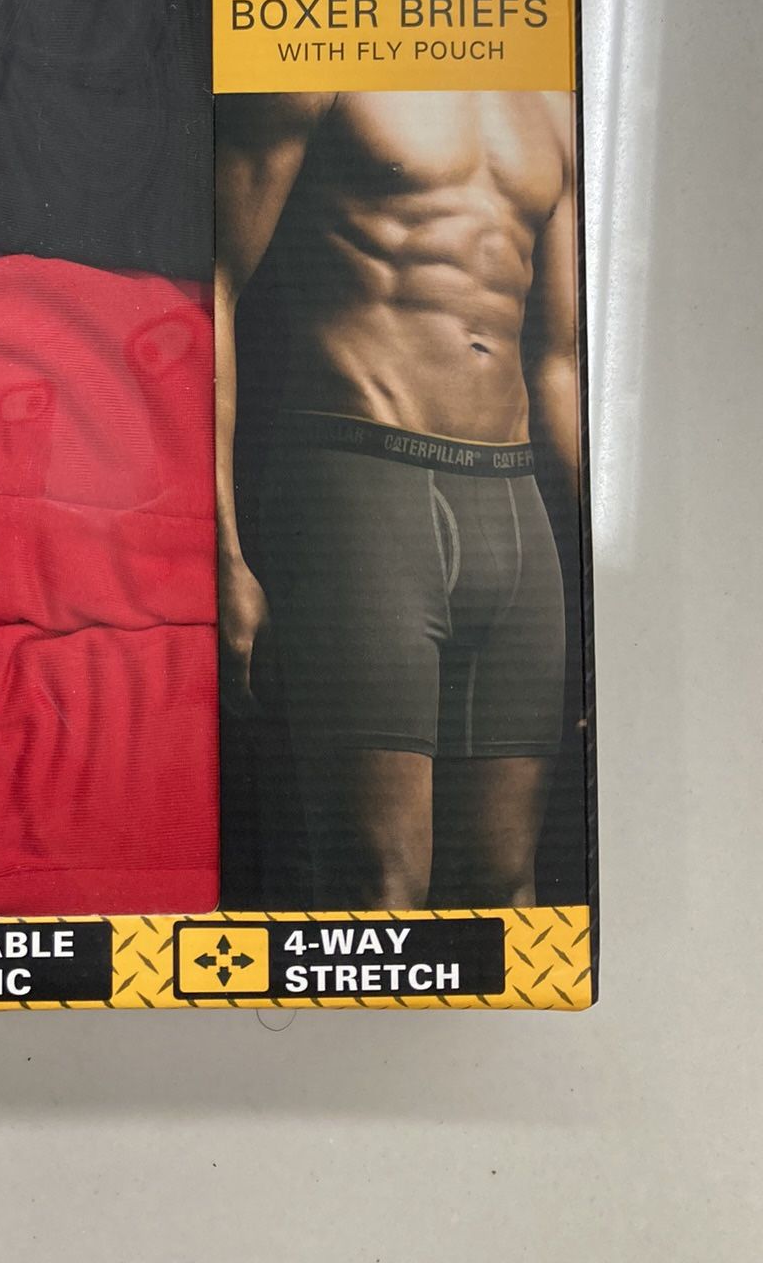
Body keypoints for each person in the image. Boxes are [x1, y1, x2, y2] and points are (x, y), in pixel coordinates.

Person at [215, 89, 580, 909]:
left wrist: (610, 578)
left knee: (506, 888)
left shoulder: (554, 101)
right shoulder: (322, 64)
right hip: (359, 485)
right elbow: (213, 289)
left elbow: (562, 361)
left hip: (514, 504)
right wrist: (222, 550)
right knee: (378, 888)